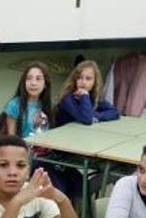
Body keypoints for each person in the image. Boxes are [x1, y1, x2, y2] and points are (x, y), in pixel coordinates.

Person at [50, 60, 119, 199]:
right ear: (74, 79)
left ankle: (89, 195)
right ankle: (85, 194)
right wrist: (85, 98)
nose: (83, 82)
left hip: (82, 144)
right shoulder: (68, 98)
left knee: (116, 168)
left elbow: (115, 112)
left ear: (95, 81)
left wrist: (97, 117)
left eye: (88, 79)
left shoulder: (93, 98)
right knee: (107, 169)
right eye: (80, 78)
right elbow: (86, 119)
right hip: (64, 150)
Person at [4, 61, 53, 138]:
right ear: (24, 82)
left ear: (45, 84)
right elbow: (11, 139)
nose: (33, 83)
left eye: (38, 79)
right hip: (22, 148)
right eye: (29, 78)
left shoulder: (48, 105)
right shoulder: (14, 104)